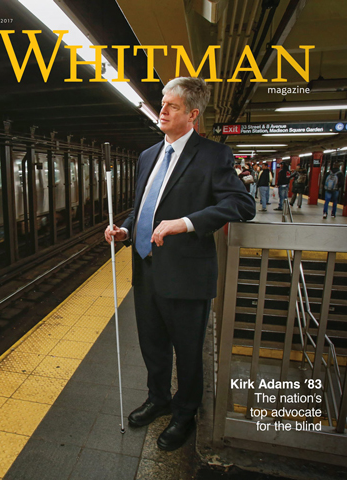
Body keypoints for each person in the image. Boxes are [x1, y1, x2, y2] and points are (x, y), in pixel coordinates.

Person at [104, 77, 255, 452]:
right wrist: (124, 230)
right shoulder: (148, 155)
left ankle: (186, 412)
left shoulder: (213, 155)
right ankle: (159, 398)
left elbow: (241, 204)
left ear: (193, 114)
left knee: (188, 350)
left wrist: (186, 223)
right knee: (152, 343)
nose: (163, 110)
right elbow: (144, 208)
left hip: (186, 272)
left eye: (172, 106)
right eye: (162, 103)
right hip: (146, 268)